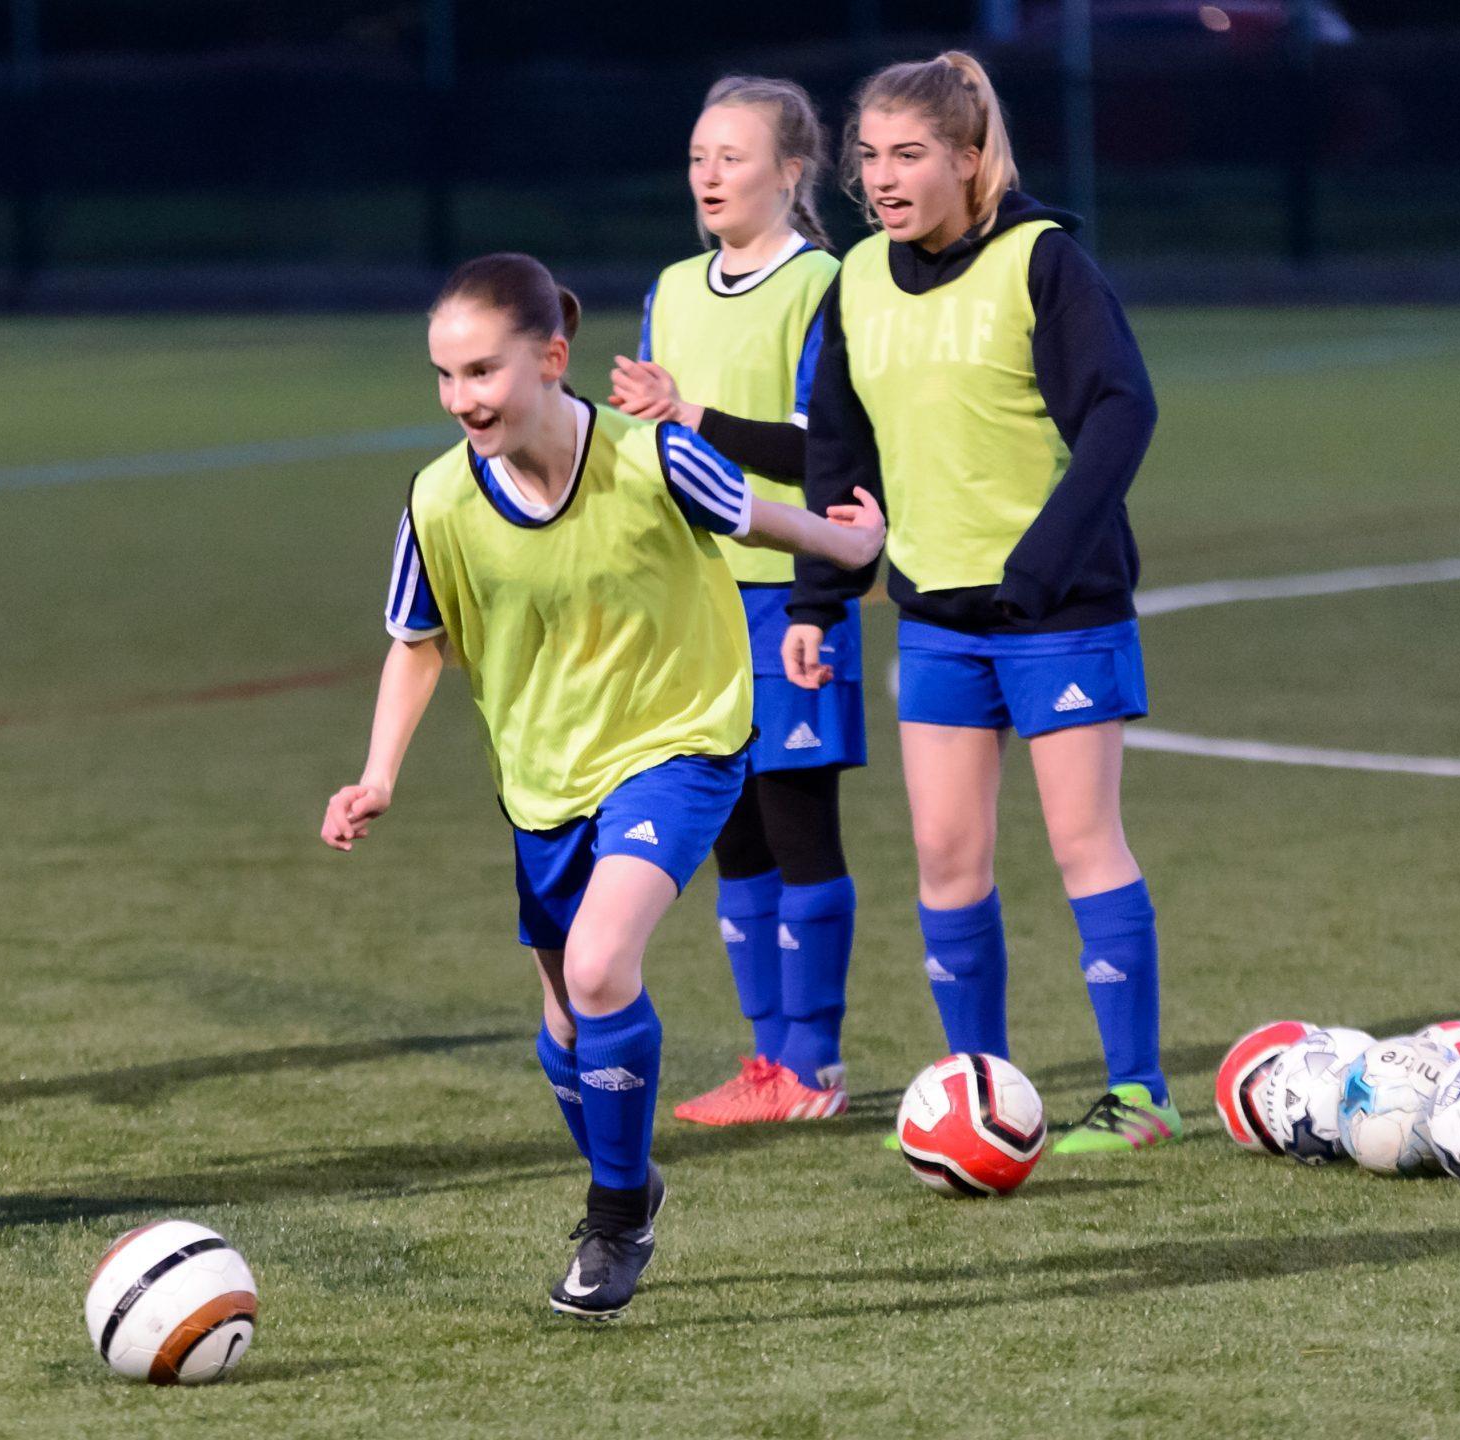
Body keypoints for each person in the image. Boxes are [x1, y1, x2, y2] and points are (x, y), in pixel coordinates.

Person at [322, 252, 884, 1319]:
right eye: (445, 377)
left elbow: (754, 516)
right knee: (566, 1029)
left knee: (598, 962)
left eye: (482, 372)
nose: (461, 400)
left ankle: (617, 1218)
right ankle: (630, 1176)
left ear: (551, 358)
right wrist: (377, 773)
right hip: (544, 779)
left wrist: (847, 544)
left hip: (682, 740)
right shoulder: (438, 499)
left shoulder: (653, 457)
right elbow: (418, 638)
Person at [791, 53, 1174, 1154]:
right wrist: (822, 597)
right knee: (948, 859)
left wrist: (1049, 558)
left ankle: (1140, 1096)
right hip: (938, 618)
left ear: (970, 159)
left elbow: (1122, 411)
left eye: (909, 155)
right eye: (869, 157)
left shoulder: (1042, 264)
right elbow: (837, 447)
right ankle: (979, 1089)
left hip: (1060, 610)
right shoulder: (856, 279)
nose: (884, 179)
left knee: (1081, 843)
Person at [607, 76, 861, 1126]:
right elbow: (649, 448)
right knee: (733, 836)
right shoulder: (669, 287)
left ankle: (817, 1065)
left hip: (787, 593)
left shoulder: (825, 285)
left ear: (791, 173)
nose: (709, 175)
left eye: (734, 157)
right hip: (690, 604)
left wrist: (693, 414)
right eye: (699, 157)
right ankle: (766, 1062)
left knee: (799, 826)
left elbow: (825, 450)